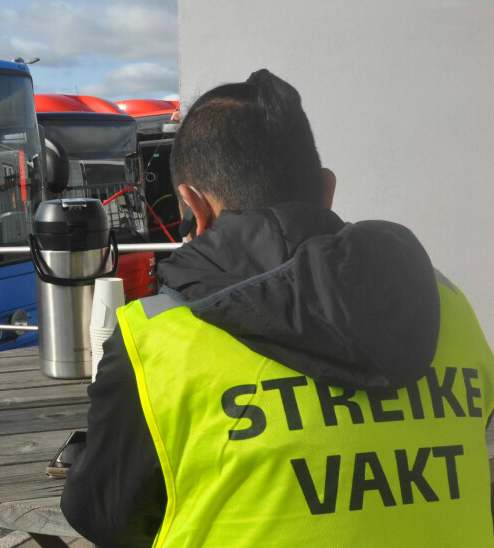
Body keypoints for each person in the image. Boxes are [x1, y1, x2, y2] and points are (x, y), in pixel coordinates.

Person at [60, 69, 494, 547]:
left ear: (192, 208)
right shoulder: (449, 305)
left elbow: (102, 516)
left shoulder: (158, 339)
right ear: (327, 190)